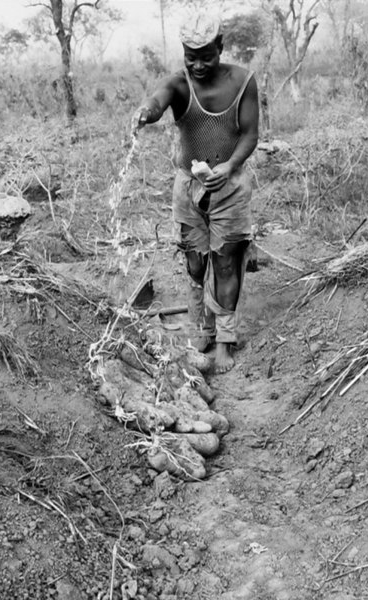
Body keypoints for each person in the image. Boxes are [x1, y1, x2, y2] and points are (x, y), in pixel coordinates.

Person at [132, 13, 259, 373]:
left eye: (207, 55)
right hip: (188, 188)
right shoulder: (179, 83)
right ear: (184, 51)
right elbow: (158, 101)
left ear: (220, 47)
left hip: (229, 186)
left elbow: (250, 134)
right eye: (192, 56)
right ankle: (199, 328)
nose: (199, 64)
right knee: (194, 260)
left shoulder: (242, 81)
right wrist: (145, 112)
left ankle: (225, 339)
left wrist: (230, 166)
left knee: (225, 260)